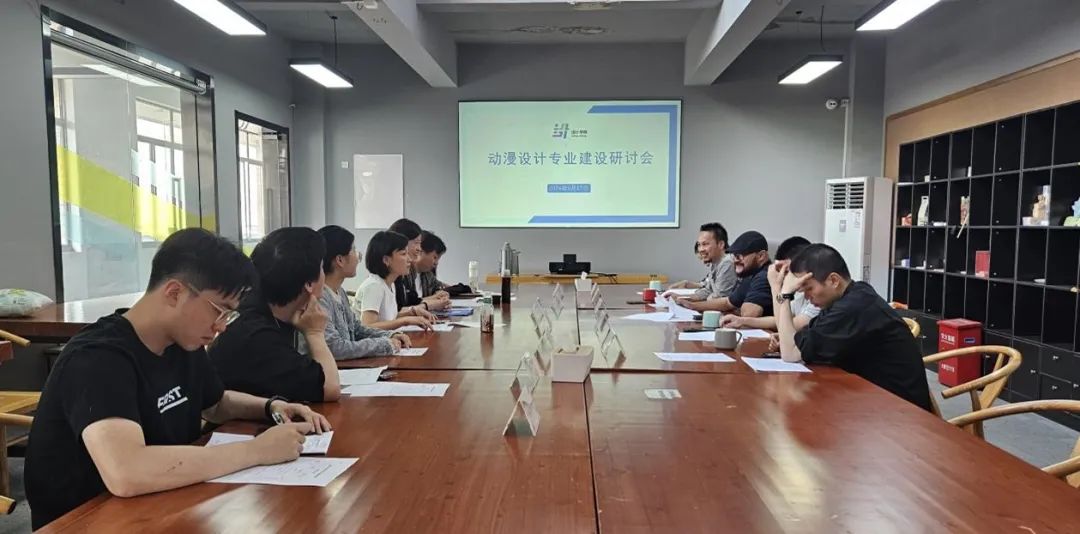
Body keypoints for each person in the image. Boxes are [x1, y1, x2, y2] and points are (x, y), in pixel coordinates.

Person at [25, 228, 330, 530]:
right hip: (89, 520)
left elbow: (215, 403)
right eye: (220, 311)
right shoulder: (98, 358)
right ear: (174, 293)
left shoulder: (181, 342)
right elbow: (126, 471)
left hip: (162, 506)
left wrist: (271, 406)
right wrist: (257, 451)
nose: (222, 326)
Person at [770, 243, 933, 412]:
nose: (806, 296)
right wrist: (790, 339)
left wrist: (785, 294)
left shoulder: (853, 307)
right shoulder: (852, 295)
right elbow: (802, 340)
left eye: (809, 288)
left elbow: (791, 354)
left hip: (900, 413)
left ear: (833, 280)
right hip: (872, 402)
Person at [209, 227, 342, 403]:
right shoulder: (256, 333)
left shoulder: (269, 310)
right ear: (309, 283)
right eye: (322, 268)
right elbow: (330, 388)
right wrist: (315, 333)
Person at [310, 225, 411, 359]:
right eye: (353, 250)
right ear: (340, 260)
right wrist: (384, 345)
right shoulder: (320, 298)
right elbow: (334, 347)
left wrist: (389, 335)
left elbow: (357, 329)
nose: (358, 256)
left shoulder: (339, 292)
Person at [721, 236, 820, 331]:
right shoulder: (799, 293)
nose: (783, 275)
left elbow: (786, 326)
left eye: (786, 271)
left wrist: (775, 286)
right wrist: (741, 321)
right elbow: (778, 319)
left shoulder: (818, 295)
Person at [678, 230, 773, 318]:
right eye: (734, 256)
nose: (735, 260)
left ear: (761, 256)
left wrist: (735, 310)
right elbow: (728, 302)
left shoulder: (764, 276)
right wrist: (692, 306)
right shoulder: (750, 274)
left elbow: (749, 314)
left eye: (740, 256)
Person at [353, 230, 435, 330]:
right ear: (386, 260)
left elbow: (389, 318)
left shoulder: (390, 284)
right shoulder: (374, 286)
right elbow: (368, 326)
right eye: (403, 254)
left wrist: (412, 311)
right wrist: (406, 321)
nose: (409, 259)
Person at [388, 218, 450, 312]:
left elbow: (410, 303)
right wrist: (428, 305)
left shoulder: (400, 275)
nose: (419, 249)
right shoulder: (381, 282)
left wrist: (435, 299)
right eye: (416, 243)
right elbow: (397, 311)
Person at [664, 223, 735, 299]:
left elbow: (718, 299)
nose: (700, 249)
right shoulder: (715, 262)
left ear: (721, 244)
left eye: (705, 244)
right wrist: (679, 297)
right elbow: (707, 291)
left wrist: (687, 301)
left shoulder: (727, 263)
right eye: (699, 244)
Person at [416, 230, 451, 298]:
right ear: (420, 252)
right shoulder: (404, 275)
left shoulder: (428, 276)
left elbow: (441, 286)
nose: (436, 263)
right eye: (435, 257)